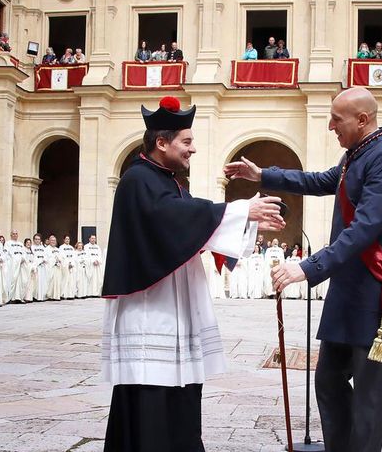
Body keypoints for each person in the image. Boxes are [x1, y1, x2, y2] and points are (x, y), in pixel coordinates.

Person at [226, 86, 382, 452]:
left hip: (375, 296)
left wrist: (308, 268)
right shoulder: (356, 157)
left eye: (336, 119)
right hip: (348, 292)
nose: (330, 126)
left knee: (368, 395)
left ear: (363, 120)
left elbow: (364, 229)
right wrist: (262, 174)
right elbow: (317, 181)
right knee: (328, 381)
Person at [101, 95, 284, 452]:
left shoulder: (169, 181)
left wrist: (249, 222)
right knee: (151, 391)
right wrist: (240, 210)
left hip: (174, 311)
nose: (193, 149)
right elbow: (171, 220)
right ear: (161, 142)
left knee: (180, 389)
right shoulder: (138, 180)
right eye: (186, 142)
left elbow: (190, 227)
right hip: (150, 312)